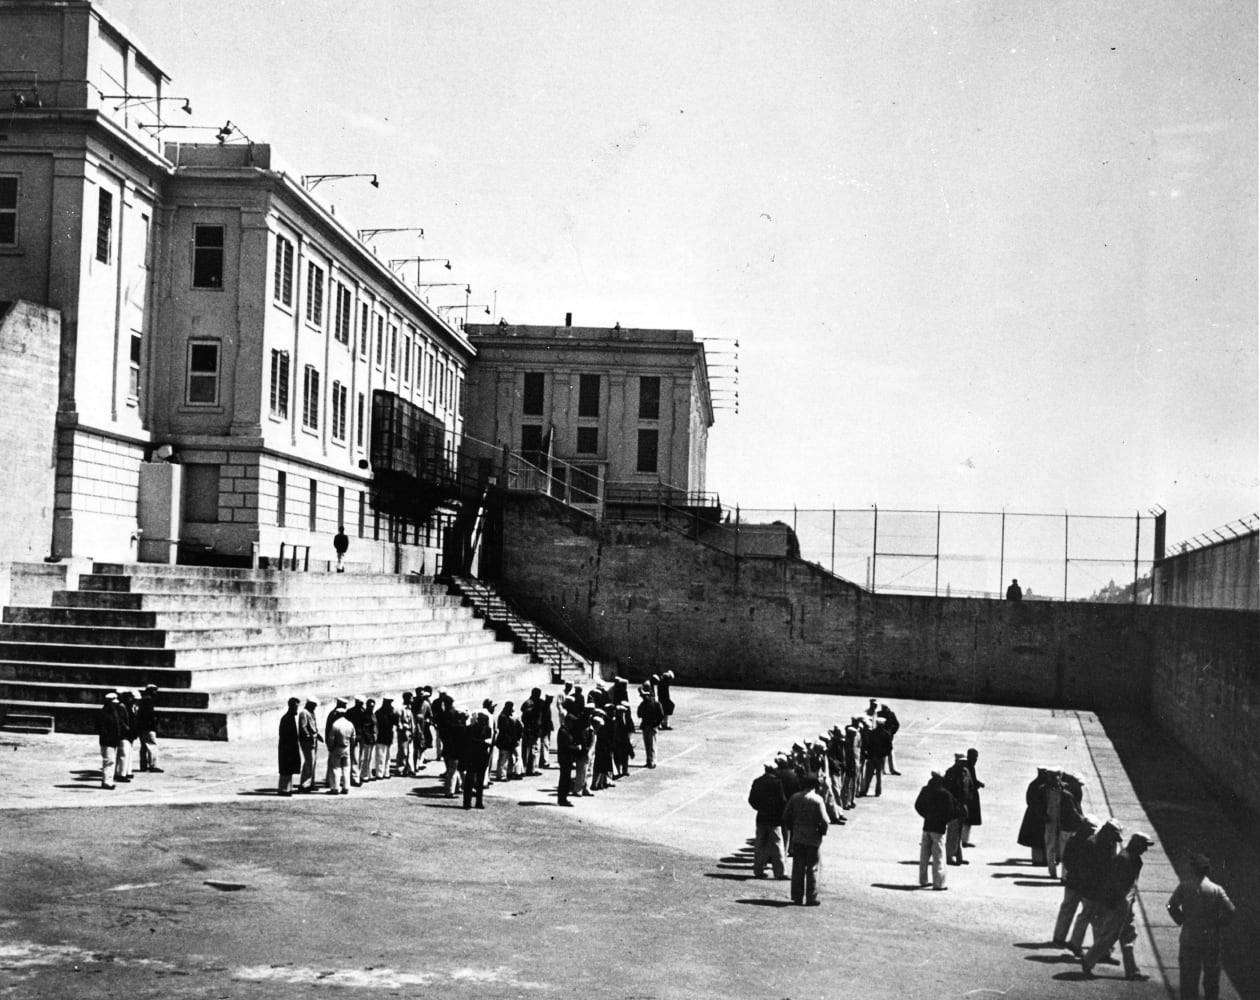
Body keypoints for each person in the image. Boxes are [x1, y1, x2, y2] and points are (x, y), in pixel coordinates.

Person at [1082, 832, 1154, 980]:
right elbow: (1115, 884)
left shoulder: (1134, 859)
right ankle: (1088, 961)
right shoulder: (1124, 859)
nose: (1145, 850)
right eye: (1144, 846)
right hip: (1119, 903)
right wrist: (1114, 903)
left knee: (1128, 936)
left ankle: (1132, 971)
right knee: (1110, 935)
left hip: (1127, 903)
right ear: (1137, 844)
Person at [1167, 853, 1235, 1000]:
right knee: (1211, 979)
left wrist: (1181, 920)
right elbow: (1231, 910)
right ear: (1207, 870)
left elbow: (1170, 905)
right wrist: (1218, 923)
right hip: (1211, 939)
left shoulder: (1184, 887)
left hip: (1189, 937)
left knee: (1188, 978)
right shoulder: (1216, 889)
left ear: (1192, 869)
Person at [781, 773, 829, 905]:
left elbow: (786, 816)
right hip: (813, 837)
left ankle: (797, 896)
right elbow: (825, 821)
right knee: (812, 867)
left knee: (798, 868)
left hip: (798, 836)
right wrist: (822, 832)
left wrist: (793, 828)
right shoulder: (817, 800)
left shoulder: (795, 797)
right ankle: (811, 897)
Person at [1052, 815, 1099, 947]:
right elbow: (1068, 860)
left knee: (1068, 909)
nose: (1092, 832)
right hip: (1080, 882)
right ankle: (1063, 939)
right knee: (1086, 912)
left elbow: (1066, 860)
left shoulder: (1075, 840)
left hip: (1073, 881)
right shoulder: (1088, 842)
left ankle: (1059, 937)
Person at [915, 771, 956, 890]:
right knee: (939, 856)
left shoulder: (925, 790)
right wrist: (944, 821)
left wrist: (926, 815)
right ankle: (938, 883)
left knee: (924, 855)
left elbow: (918, 805)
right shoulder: (945, 793)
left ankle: (923, 880)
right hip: (938, 828)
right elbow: (950, 811)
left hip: (927, 826)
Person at [748, 762, 787, 880]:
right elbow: (782, 801)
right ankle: (780, 872)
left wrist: (760, 808)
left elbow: (752, 800)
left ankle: (758, 870)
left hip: (761, 817)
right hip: (774, 818)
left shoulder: (757, 781)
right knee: (777, 844)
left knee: (759, 844)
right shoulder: (777, 783)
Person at [943, 753, 973, 865]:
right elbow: (946, 789)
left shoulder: (966, 772)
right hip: (954, 806)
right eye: (961, 761)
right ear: (956, 761)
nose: (964, 763)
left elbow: (970, 787)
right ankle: (949, 856)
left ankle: (959, 856)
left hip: (963, 806)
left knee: (959, 832)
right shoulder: (950, 772)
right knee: (952, 831)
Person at [461, 705, 492, 809]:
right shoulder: (473, 729)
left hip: (479, 757)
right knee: (472, 781)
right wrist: (484, 742)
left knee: (477, 782)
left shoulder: (486, 729)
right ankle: (471, 802)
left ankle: (474, 802)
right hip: (475, 757)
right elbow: (471, 741)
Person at [326, 705, 355, 794]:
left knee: (336, 768)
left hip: (337, 747)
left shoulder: (335, 725)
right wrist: (351, 747)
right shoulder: (350, 724)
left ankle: (335, 787)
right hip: (347, 747)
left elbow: (331, 739)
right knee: (346, 768)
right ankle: (346, 787)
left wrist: (330, 748)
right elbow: (353, 738)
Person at [97, 692, 123, 790]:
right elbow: (101, 729)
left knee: (110, 761)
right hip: (107, 741)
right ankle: (107, 782)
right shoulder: (104, 713)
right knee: (109, 761)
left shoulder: (112, 712)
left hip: (112, 741)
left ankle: (108, 781)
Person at [277, 697, 302, 796]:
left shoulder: (290, 718)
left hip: (290, 748)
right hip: (287, 748)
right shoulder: (287, 718)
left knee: (289, 769)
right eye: (296, 706)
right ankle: (284, 789)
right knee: (286, 770)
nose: (297, 709)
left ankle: (287, 788)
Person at [137, 685, 163, 773]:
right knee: (152, 745)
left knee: (143, 747)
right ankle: (153, 765)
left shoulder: (143, 700)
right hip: (148, 728)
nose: (156, 693)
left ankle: (143, 765)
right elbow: (149, 716)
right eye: (154, 691)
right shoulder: (149, 701)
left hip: (141, 727)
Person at [636, 684, 664, 768]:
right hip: (648, 725)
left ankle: (652, 761)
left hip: (650, 726)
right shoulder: (653, 703)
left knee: (651, 745)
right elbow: (639, 714)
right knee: (648, 744)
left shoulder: (653, 704)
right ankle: (649, 760)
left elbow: (661, 715)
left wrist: (656, 723)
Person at [297, 698, 321, 792]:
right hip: (307, 741)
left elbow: (313, 726)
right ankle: (305, 784)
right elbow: (303, 727)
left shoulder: (311, 712)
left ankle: (311, 782)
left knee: (313, 762)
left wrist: (317, 734)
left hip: (313, 739)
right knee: (309, 762)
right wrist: (309, 736)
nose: (315, 707)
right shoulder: (304, 713)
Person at [960, 748, 983, 846]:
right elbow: (971, 782)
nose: (976, 759)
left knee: (967, 821)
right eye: (975, 756)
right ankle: (964, 840)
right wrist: (978, 784)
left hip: (970, 796)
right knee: (967, 820)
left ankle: (964, 840)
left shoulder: (969, 766)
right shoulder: (968, 767)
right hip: (969, 797)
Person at [555, 710, 577, 806]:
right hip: (564, 758)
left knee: (566, 779)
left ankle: (563, 798)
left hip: (567, 758)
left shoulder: (565, 731)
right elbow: (565, 746)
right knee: (564, 779)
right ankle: (562, 798)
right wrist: (575, 748)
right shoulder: (563, 731)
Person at [876, 701, 901, 774]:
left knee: (890, 752)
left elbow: (896, 724)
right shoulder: (879, 713)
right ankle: (882, 769)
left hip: (888, 736)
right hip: (881, 735)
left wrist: (892, 732)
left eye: (885, 707)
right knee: (882, 753)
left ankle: (892, 769)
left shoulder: (891, 714)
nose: (883, 709)